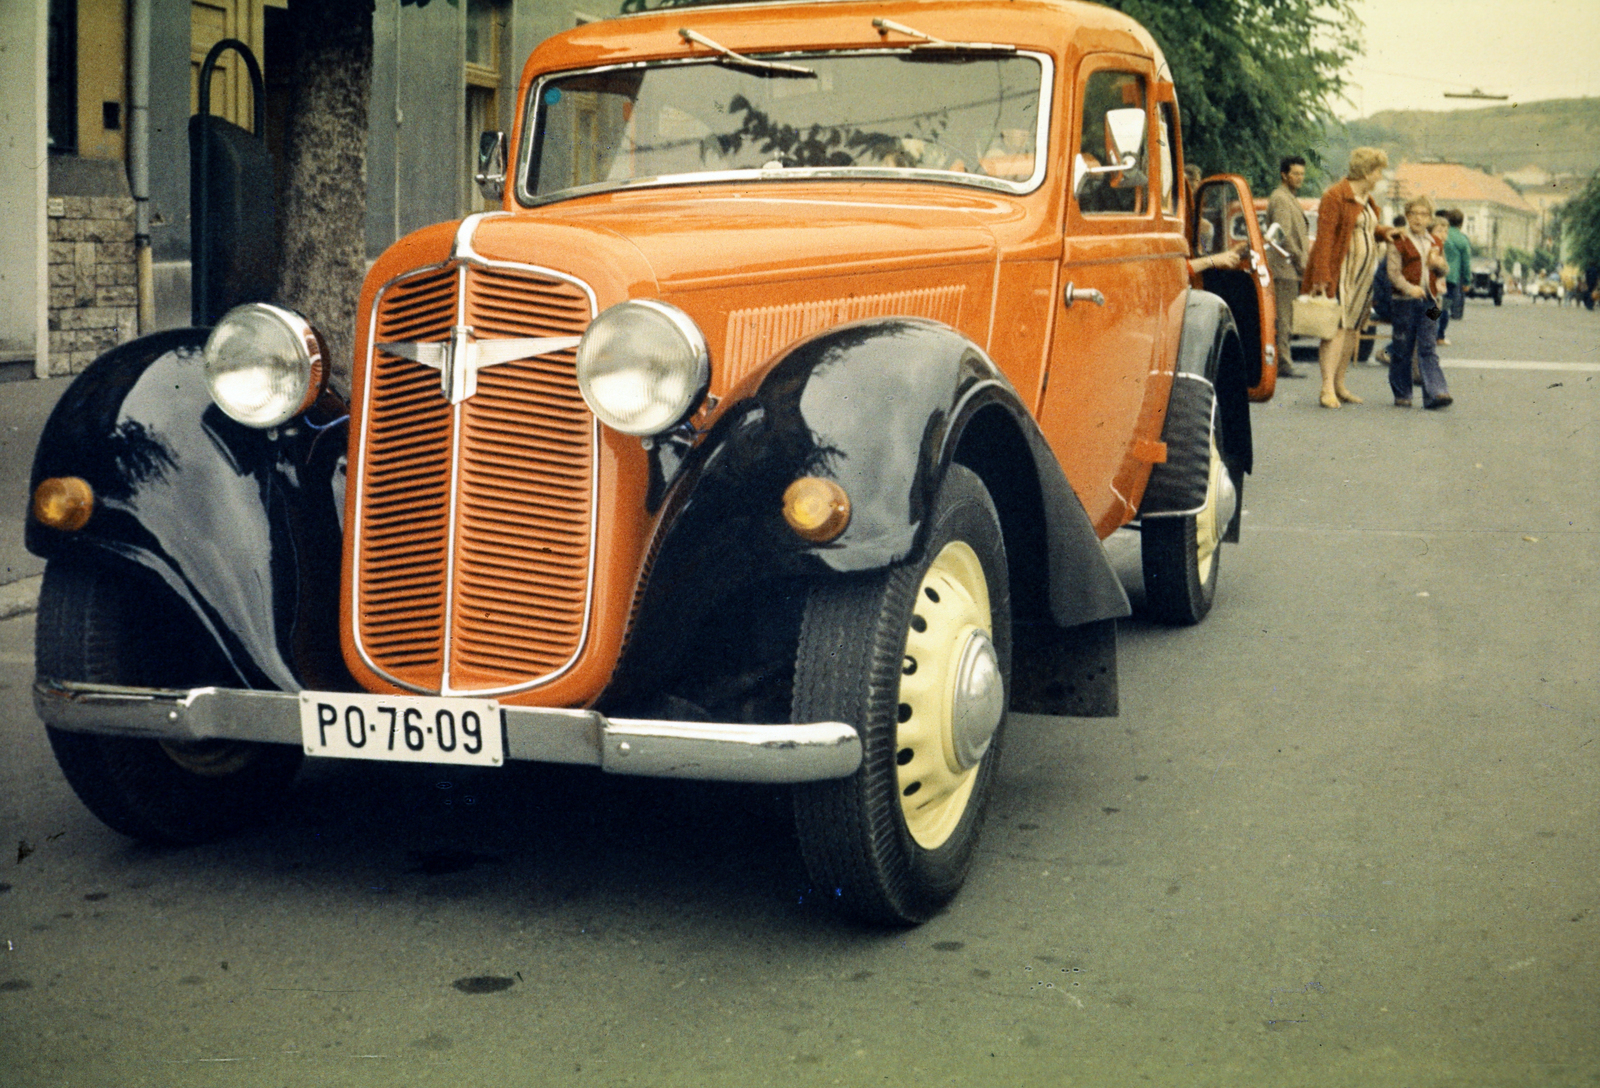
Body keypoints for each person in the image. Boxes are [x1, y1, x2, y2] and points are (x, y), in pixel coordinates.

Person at [1302, 147, 1395, 409]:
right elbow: (1325, 239)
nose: (1380, 176)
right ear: (1366, 172)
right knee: (1336, 328)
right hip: (1341, 271)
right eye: (1378, 171)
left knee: (1353, 328)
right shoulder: (1336, 196)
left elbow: (1367, 228)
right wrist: (1321, 276)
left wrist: (1384, 232)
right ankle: (1327, 387)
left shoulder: (1365, 198)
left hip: (1363, 274)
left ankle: (1340, 384)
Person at [1386, 195, 1452, 409]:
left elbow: (1443, 271)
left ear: (1430, 218)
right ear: (1407, 216)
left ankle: (1436, 393)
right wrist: (1409, 288)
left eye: (1424, 214)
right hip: (1404, 301)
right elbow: (1393, 273)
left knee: (1428, 345)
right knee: (1403, 347)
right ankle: (1402, 393)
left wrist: (1440, 264)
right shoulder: (1399, 241)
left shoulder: (1436, 242)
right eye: (1414, 214)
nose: (1418, 219)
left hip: (1431, 303)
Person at [1264, 155, 1310, 379]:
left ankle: (1284, 360)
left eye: (1302, 174)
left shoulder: (1287, 197)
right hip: (1285, 266)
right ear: (1284, 174)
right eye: (1295, 174)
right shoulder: (1281, 198)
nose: (1299, 178)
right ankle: (1283, 362)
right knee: (1284, 316)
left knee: (1287, 315)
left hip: (1288, 266)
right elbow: (1282, 233)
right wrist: (1299, 260)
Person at [1439, 208, 1471, 342]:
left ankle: (1428, 328)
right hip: (1451, 278)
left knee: (1434, 306)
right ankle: (1439, 335)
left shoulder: (1441, 234)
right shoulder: (1462, 239)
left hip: (1436, 275)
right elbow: (1466, 262)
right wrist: (1466, 281)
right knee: (1445, 307)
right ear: (1462, 223)